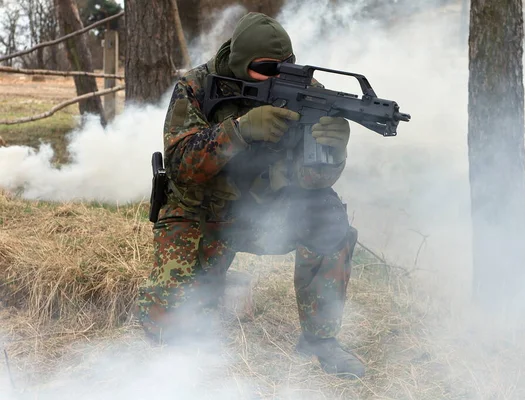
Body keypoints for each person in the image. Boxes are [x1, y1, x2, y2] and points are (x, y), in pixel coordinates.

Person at [137, 12, 364, 378]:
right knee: (170, 332)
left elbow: (314, 182)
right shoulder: (196, 87)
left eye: (285, 66)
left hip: (266, 216)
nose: (277, 76)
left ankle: (321, 340)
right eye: (265, 69)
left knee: (327, 216)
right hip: (201, 216)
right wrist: (240, 131)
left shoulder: (306, 94)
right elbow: (181, 166)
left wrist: (334, 149)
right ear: (240, 65)